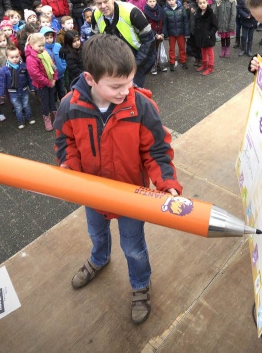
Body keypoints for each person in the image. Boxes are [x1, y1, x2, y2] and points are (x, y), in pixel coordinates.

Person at [54, 33, 182, 325]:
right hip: (92, 193)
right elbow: (65, 141)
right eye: (116, 86)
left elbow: (157, 150)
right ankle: (99, 259)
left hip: (130, 195)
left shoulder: (141, 106)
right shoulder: (69, 106)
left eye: (130, 82)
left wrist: (167, 184)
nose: (126, 90)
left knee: (134, 246)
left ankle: (140, 285)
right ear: (90, 79)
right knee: (96, 233)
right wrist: (69, 168)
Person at [90, 0, 156, 88]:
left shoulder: (131, 12)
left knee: (132, 91)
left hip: (137, 56)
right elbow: (95, 41)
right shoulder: (95, 15)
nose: (103, 6)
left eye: (105, 1)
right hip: (114, 60)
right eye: (99, 3)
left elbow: (149, 41)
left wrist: (136, 65)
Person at [25, 32, 58, 131]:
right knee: (44, 102)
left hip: (51, 82)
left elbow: (53, 65)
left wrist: (55, 78)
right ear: (31, 45)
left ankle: (56, 117)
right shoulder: (31, 58)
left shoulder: (45, 53)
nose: (42, 48)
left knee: (52, 100)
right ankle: (47, 119)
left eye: (43, 45)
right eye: (39, 46)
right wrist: (48, 82)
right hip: (41, 85)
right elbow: (35, 75)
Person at [191, 0, 218, 76]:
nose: (202, 5)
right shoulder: (198, 13)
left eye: (204, 3)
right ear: (198, 4)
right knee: (203, 51)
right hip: (200, 36)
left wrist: (209, 34)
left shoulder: (211, 14)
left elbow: (215, 26)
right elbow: (196, 24)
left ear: (207, 2)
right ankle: (204, 64)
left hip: (208, 37)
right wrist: (196, 32)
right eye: (200, 3)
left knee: (210, 52)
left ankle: (210, 67)